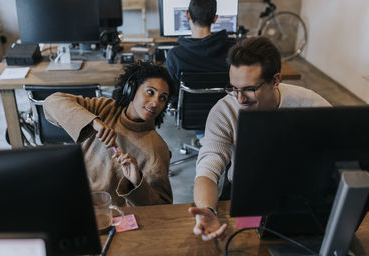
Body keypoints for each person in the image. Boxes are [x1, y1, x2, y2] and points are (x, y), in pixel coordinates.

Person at [189, 36, 331, 241]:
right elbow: (207, 170)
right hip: (248, 196)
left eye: (249, 89)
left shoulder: (311, 105)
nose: (240, 98)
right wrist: (207, 210)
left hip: (303, 195)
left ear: (275, 80)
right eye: (234, 88)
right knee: (248, 244)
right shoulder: (224, 111)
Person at [43, 61, 175, 207]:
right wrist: (93, 121)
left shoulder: (156, 148)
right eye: (150, 92)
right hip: (71, 194)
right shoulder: (105, 108)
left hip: (108, 213)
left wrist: (137, 182)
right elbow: (51, 102)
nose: (155, 102)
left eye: (162, 98)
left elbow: (162, 207)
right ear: (130, 89)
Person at [165, 0, 236, 101]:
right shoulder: (233, 52)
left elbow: (172, 95)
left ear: (187, 15)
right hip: (224, 114)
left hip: (189, 115)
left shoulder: (175, 55)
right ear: (215, 18)